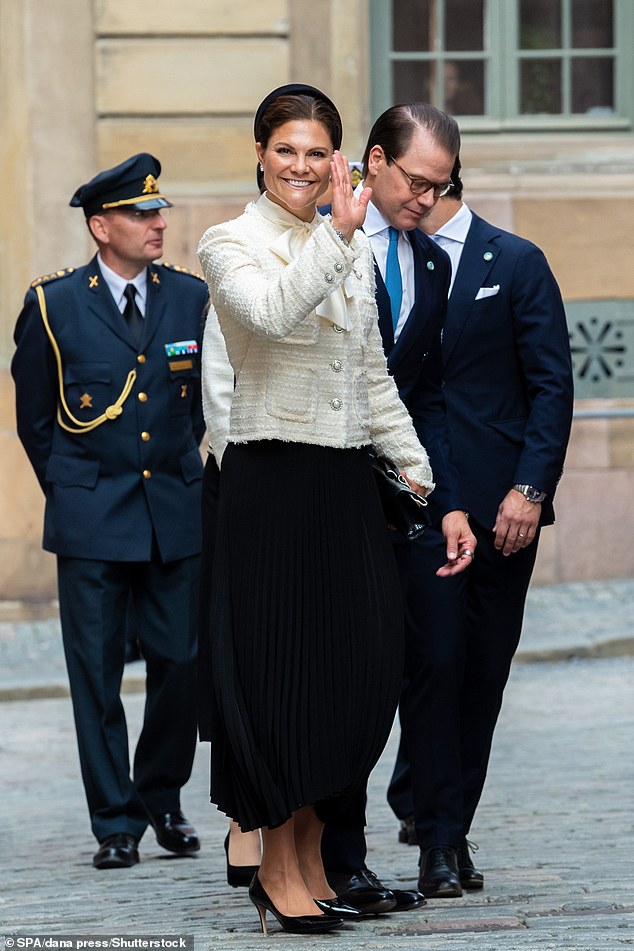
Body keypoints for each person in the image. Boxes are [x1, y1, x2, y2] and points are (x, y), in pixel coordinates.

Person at [196, 83, 439, 936]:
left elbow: (372, 377)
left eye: (316, 151)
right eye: (286, 149)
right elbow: (266, 318)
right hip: (271, 486)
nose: (300, 165)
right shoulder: (229, 243)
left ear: (337, 160)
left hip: (342, 485)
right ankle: (282, 864)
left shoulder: (351, 254)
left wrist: (418, 471)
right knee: (285, 685)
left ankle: (303, 857)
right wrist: (337, 233)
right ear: (261, 153)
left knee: (357, 676)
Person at [12, 153, 208, 870]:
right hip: (93, 515)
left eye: (159, 210)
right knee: (94, 673)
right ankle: (116, 819)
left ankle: (160, 793)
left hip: (175, 513)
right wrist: (74, 491)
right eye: (140, 213)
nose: (158, 223)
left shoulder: (191, 298)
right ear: (101, 227)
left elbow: (200, 408)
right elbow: (38, 420)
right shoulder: (53, 305)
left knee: (183, 663)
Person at [386, 160, 574, 897]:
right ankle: (435, 838)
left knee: (482, 675)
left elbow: (552, 383)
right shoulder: (388, 261)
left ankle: (452, 826)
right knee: (434, 665)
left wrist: (530, 489)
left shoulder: (516, 261)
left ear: (440, 185)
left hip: (505, 513)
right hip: (423, 501)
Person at [318, 103, 477, 913]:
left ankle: (438, 838)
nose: (427, 200)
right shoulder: (315, 241)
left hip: (412, 499)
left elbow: (426, 397)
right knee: (351, 674)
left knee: (440, 655)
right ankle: (340, 858)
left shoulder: (434, 266)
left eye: (441, 187)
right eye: (416, 181)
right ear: (373, 161)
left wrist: (446, 499)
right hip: (331, 496)